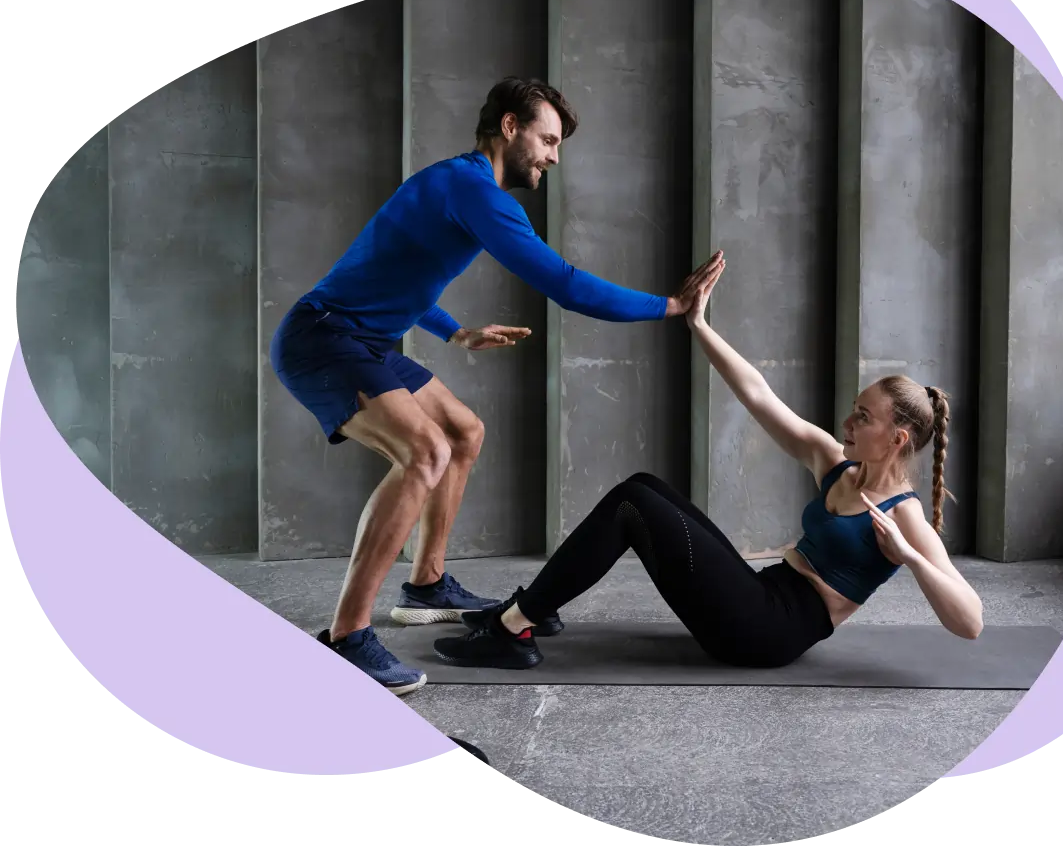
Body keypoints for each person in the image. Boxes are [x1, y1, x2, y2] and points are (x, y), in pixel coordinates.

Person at [270, 76, 724, 695]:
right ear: (510, 128)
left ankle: (426, 586)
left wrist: (456, 332)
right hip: (323, 339)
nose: (553, 157)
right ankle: (347, 638)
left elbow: (397, 273)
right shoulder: (476, 191)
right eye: (547, 139)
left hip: (359, 340)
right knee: (424, 451)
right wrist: (671, 306)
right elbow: (563, 283)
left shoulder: (454, 184)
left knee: (462, 431)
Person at [441, 254, 985, 671]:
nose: (848, 422)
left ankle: (514, 626)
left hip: (768, 633)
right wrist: (699, 325)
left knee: (634, 505)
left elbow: (971, 623)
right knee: (643, 484)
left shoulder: (903, 515)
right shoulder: (835, 463)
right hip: (763, 595)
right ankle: (538, 606)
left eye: (863, 417)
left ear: (897, 437)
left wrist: (912, 557)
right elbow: (759, 394)